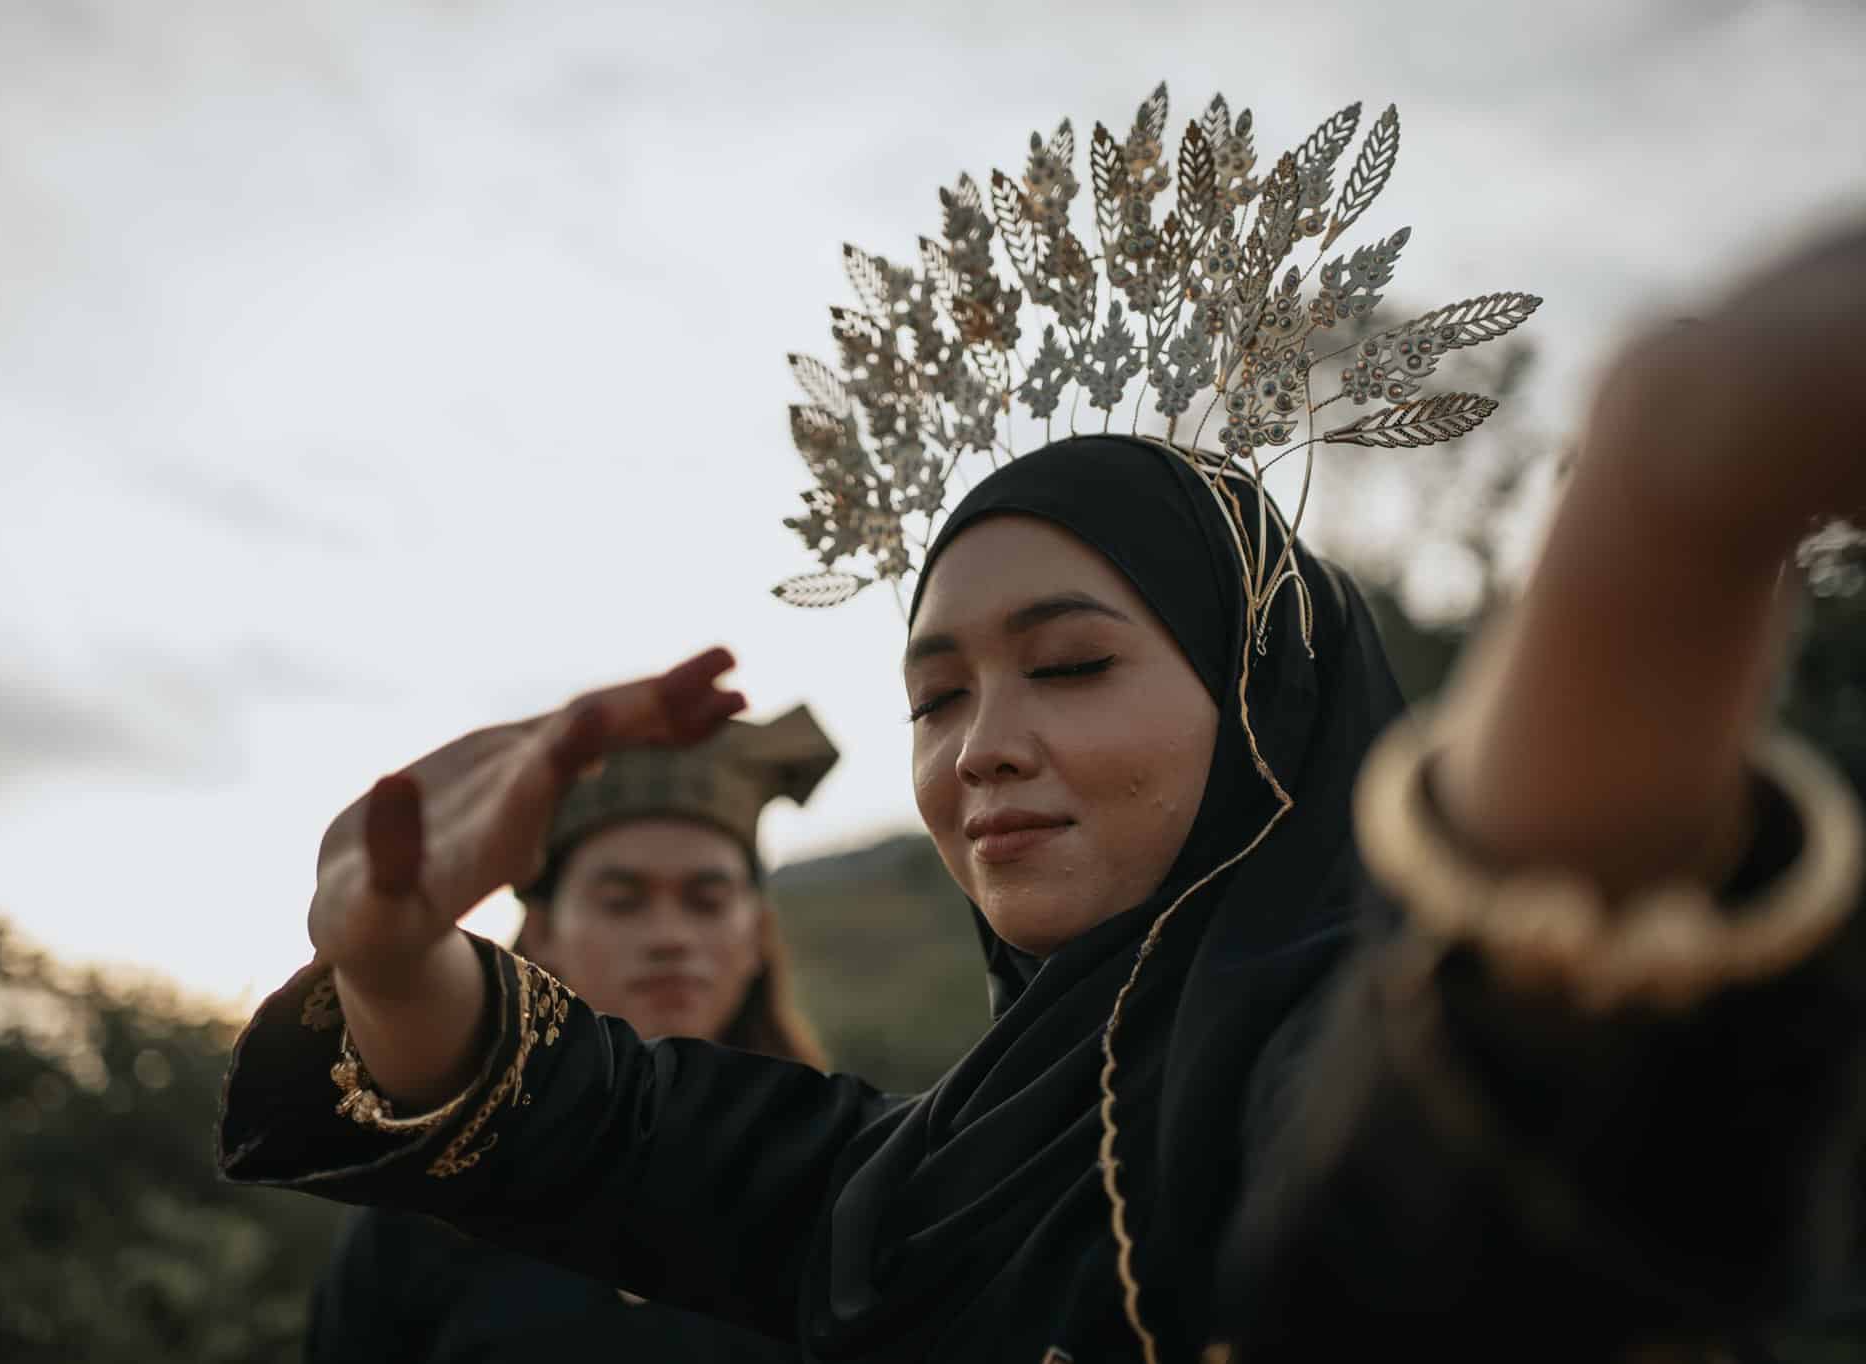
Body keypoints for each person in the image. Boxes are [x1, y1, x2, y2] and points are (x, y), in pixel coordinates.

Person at [219, 87, 1866, 1362]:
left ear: (1262, 707)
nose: (976, 744)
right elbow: (616, 1125)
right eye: (933, 692)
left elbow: (1475, 1150)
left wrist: (1660, 516)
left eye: (1068, 663)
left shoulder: (1322, 1063)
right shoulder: (910, 1176)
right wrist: (381, 945)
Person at [303, 707, 838, 1364]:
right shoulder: (430, 1215)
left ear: (755, 933)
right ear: (545, 935)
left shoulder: (840, 1187)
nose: (670, 936)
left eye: (707, 900)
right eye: (622, 900)